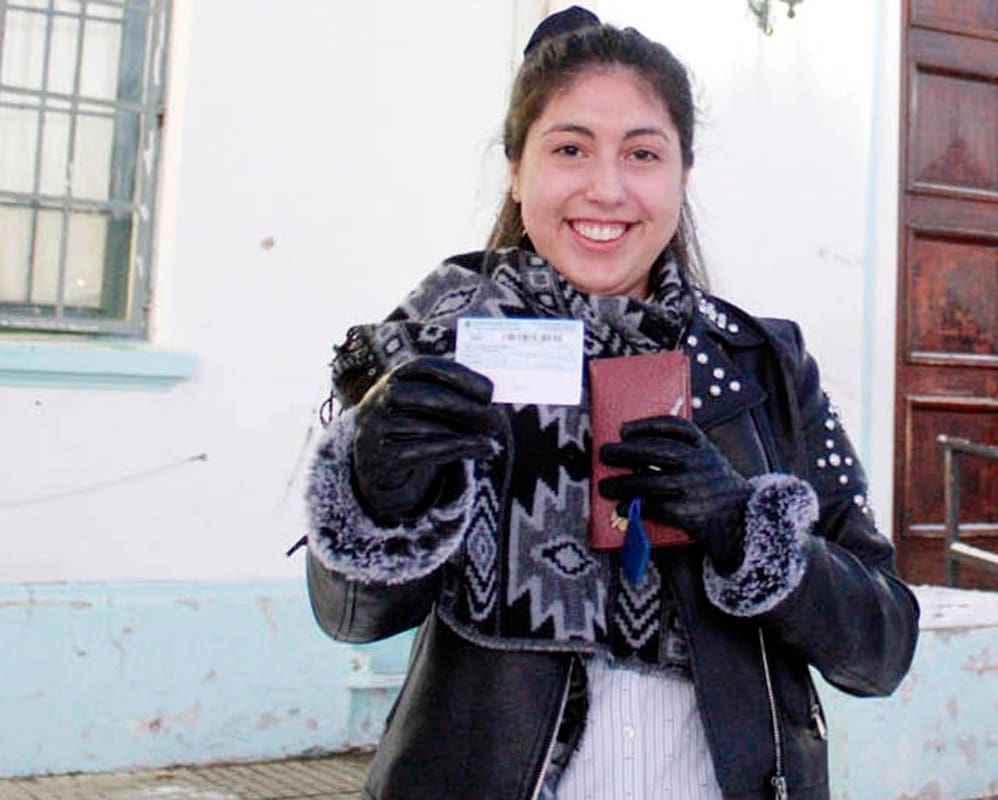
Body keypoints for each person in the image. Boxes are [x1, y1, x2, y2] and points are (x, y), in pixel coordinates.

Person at [302, 7, 919, 799]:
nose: (606, 186)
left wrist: (744, 529)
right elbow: (353, 618)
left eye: (642, 153)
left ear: (681, 176)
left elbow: (882, 646)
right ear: (518, 170)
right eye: (569, 148)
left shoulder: (761, 367)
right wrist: (380, 489)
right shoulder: (427, 353)